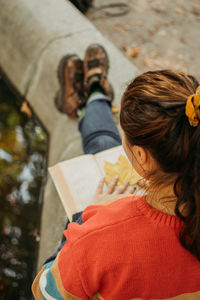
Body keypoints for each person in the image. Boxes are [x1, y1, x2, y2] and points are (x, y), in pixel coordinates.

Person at [32, 44, 200, 299]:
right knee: (102, 142)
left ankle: (92, 97)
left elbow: (44, 292)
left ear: (142, 158)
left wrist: (82, 217)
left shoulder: (101, 235)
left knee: (101, 143)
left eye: (126, 140)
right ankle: (94, 95)